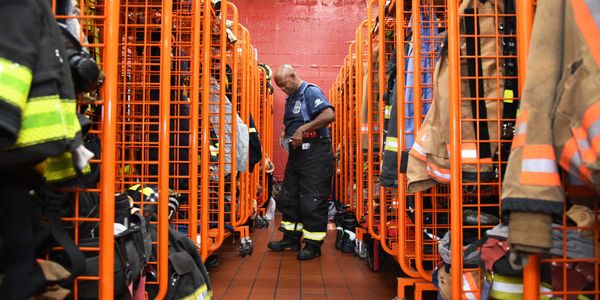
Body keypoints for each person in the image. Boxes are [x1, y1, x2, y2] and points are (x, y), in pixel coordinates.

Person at [267, 64, 335, 260]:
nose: (282, 89)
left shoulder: (310, 91)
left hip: (316, 153)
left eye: (283, 84)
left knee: (312, 200)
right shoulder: (292, 98)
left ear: (293, 76)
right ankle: (291, 238)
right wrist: (285, 131)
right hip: (298, 155)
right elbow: (294, 119)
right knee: (289, 197)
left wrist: (302, 130)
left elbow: (329, 114)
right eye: (279, 87)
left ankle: (313, 245)